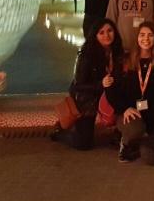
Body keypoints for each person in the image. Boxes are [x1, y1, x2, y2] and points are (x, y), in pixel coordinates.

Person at [52, 18, 122, 150]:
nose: (106, 35)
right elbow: (78, 86)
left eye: (110, 31)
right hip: (88, 99)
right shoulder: (86, 55)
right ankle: (60, 132)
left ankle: (119, 132)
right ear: (95, 36)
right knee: (83, 144)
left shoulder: (118, 52)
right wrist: (101, 84)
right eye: (101, 32)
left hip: (109, 96)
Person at [108, 22, 154, 164]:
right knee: (135, 128)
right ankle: (126, 142)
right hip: (130, 114)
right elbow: (111, 90)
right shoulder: (125, 61)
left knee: (152, 158)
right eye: (142, 35)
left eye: (150, 35)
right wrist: (124, 108)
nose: (146, 39)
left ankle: (140, 142)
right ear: (137, 37)